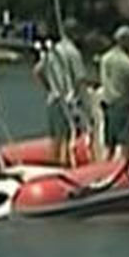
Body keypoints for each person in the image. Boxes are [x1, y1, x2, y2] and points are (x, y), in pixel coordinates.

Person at [32, 18, 92, 167]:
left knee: (55, 139)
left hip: (53, 99)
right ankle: (64, 167)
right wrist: (87, 106)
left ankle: (54, 165)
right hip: (68, 101)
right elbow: (80, 80)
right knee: (66, 138)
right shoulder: (73, 53)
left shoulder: (53, 51)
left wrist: (50, 87)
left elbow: (37, 71)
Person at [99, 24, 129, 161]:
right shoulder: (128, 63)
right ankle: (125, 166)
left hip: (108, 104)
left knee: (109, 145)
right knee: (126, 144)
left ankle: (103, 169)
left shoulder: (105, 58)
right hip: (125, 106)